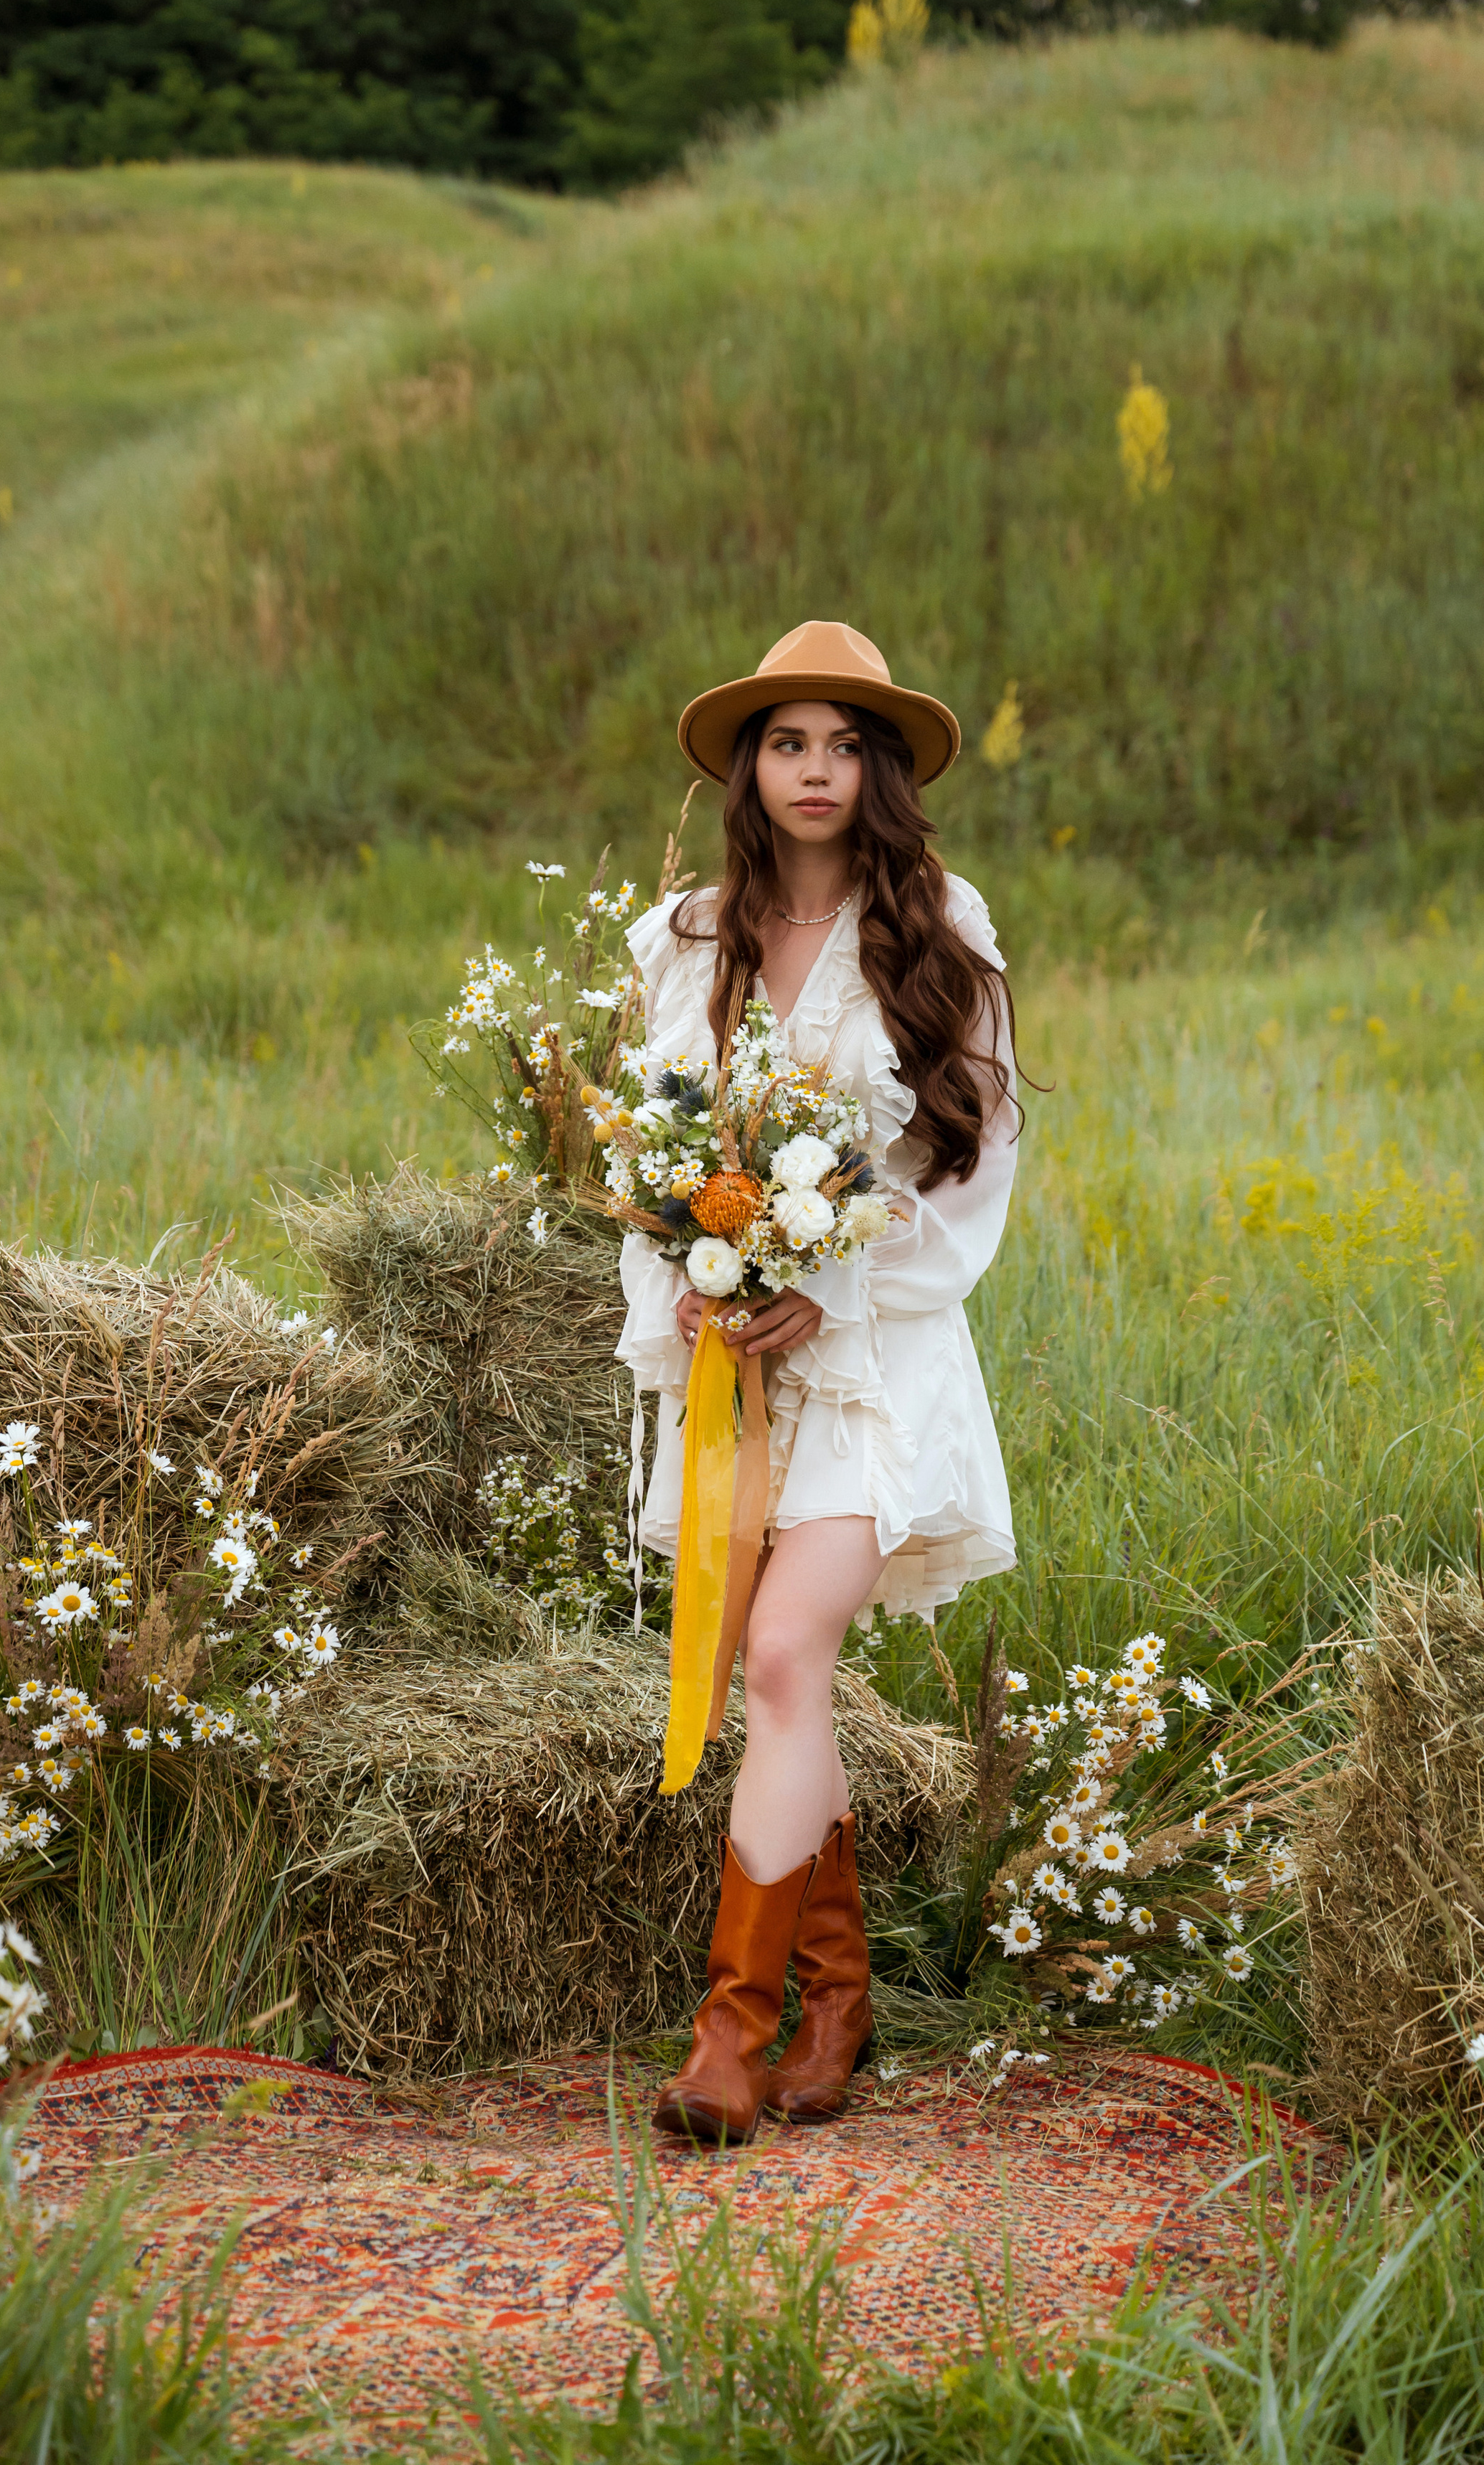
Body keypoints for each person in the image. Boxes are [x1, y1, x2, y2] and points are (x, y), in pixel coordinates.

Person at [617, 619, 1022, 2146]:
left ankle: (728, 2035)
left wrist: (822, 1281)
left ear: (881, 771)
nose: (813, 769)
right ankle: (839, 2003)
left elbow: (965, 1177)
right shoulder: (678, 937)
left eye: (843, 743)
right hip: (732, 1372)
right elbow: (644, 1164)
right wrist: (701, 1290)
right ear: (747, 765)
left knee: (782, 1657)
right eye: (787, 741)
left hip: (873, 1366)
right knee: (774, 1683)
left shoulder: (939, 931)